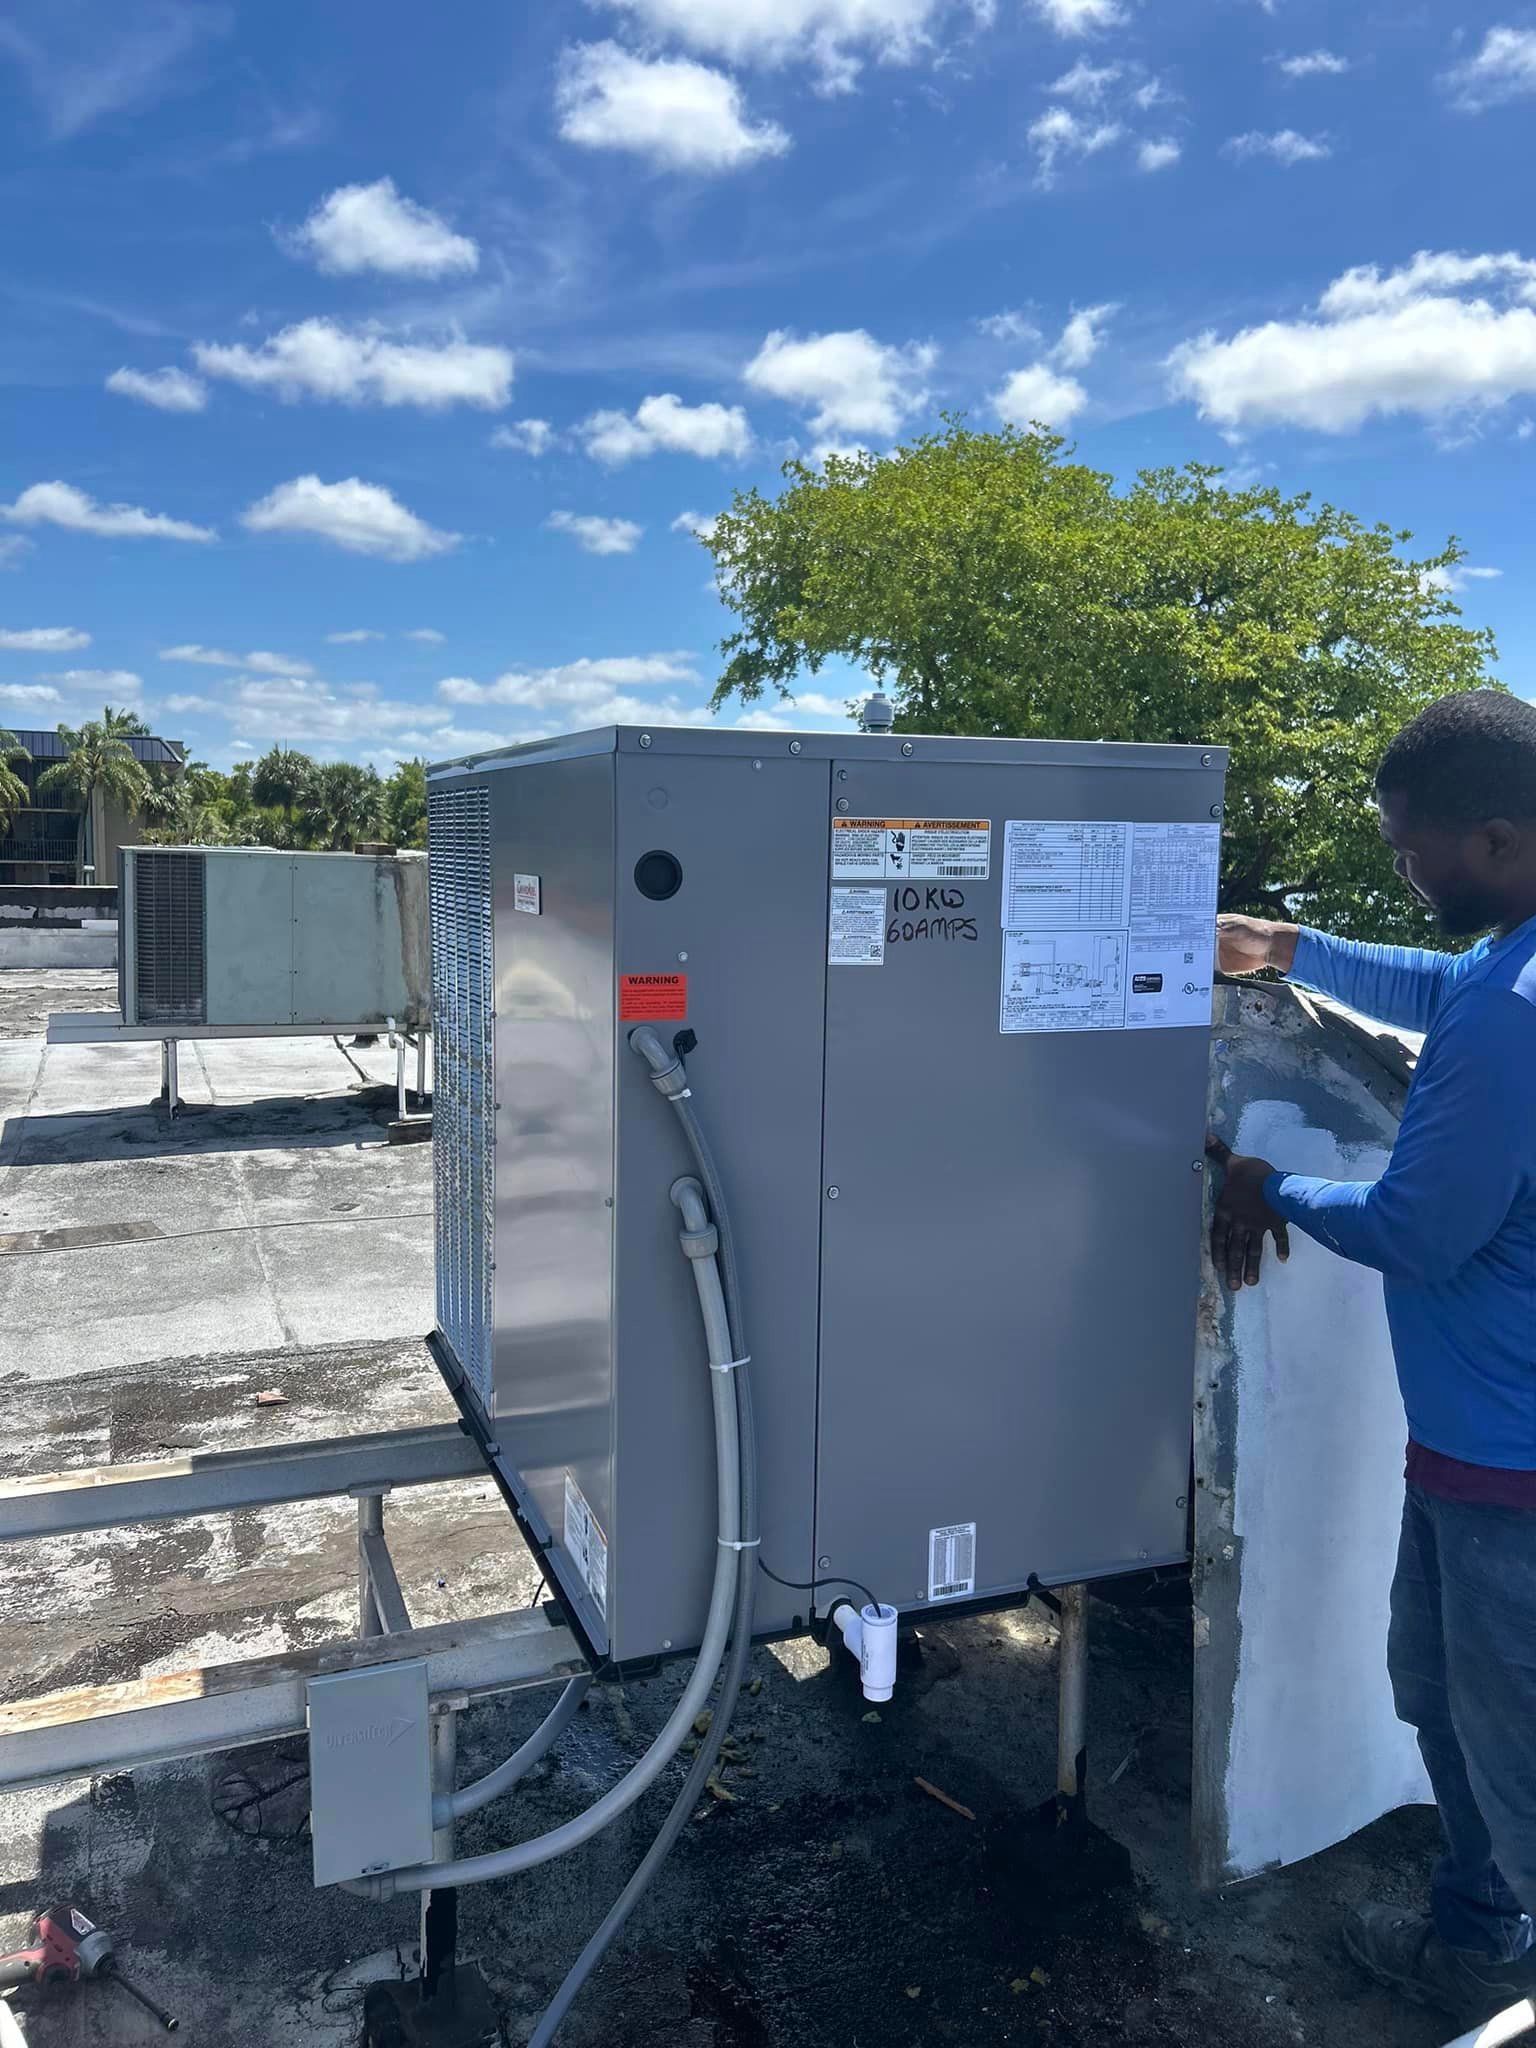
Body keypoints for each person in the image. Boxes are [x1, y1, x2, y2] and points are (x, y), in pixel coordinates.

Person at [1208, 688, 1536, 2029]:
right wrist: (1285, 944)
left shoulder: (1518, 1013)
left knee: (1513, 1758)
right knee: (1438, 1700)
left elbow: (1419, 1230)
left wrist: (1266, 1185)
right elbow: (1435, 982)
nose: (1405, 869)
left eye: (1415, 852)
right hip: (1471, 1449)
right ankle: (1477, 1933)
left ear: (1502, 837)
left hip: (1510, 1474)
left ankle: (1496, 1931)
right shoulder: (1505, 961)